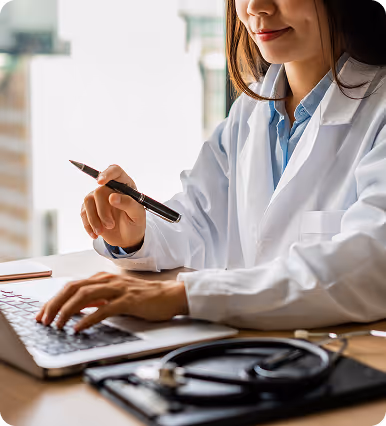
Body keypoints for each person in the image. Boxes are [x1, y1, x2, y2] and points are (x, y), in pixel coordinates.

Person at [37, 0, 386, 332]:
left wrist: (187, 295)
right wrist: (135, 234)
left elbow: (370, 265)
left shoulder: (379, 112)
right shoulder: (249, 112)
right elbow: (197, 223)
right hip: (251, 354)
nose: (255, 8)